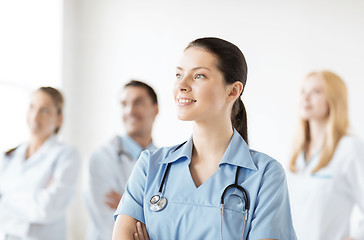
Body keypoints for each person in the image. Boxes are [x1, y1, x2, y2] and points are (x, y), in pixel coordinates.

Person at [112, 37, 297, 240]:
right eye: (178, 75)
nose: (181, 85)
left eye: (199, 76)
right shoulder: (151, 167)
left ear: (233, 91)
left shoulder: (265, 175)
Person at [287, 70, 364, 240]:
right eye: (303, 91)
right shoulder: (296, 152)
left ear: (333, 99)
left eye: (316, 91)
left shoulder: (349, 148)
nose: (306, 98)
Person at [0, 87, 80, 240]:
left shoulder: (67, 155)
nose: (35, 117)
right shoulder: (8, 156)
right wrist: (34, 199)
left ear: (59, 119)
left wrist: (5, 200)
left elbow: (46, 209)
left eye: (44, 111)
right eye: (32, 107)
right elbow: (38, 206)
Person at [84, 80, 159, 240]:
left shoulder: (165, 162)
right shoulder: (100, 158)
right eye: (124, 104)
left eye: (138, 103)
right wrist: (151, 209)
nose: (130, 110)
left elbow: (171, 222)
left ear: (155, 109)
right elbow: (109, 225)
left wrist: (127, 205)